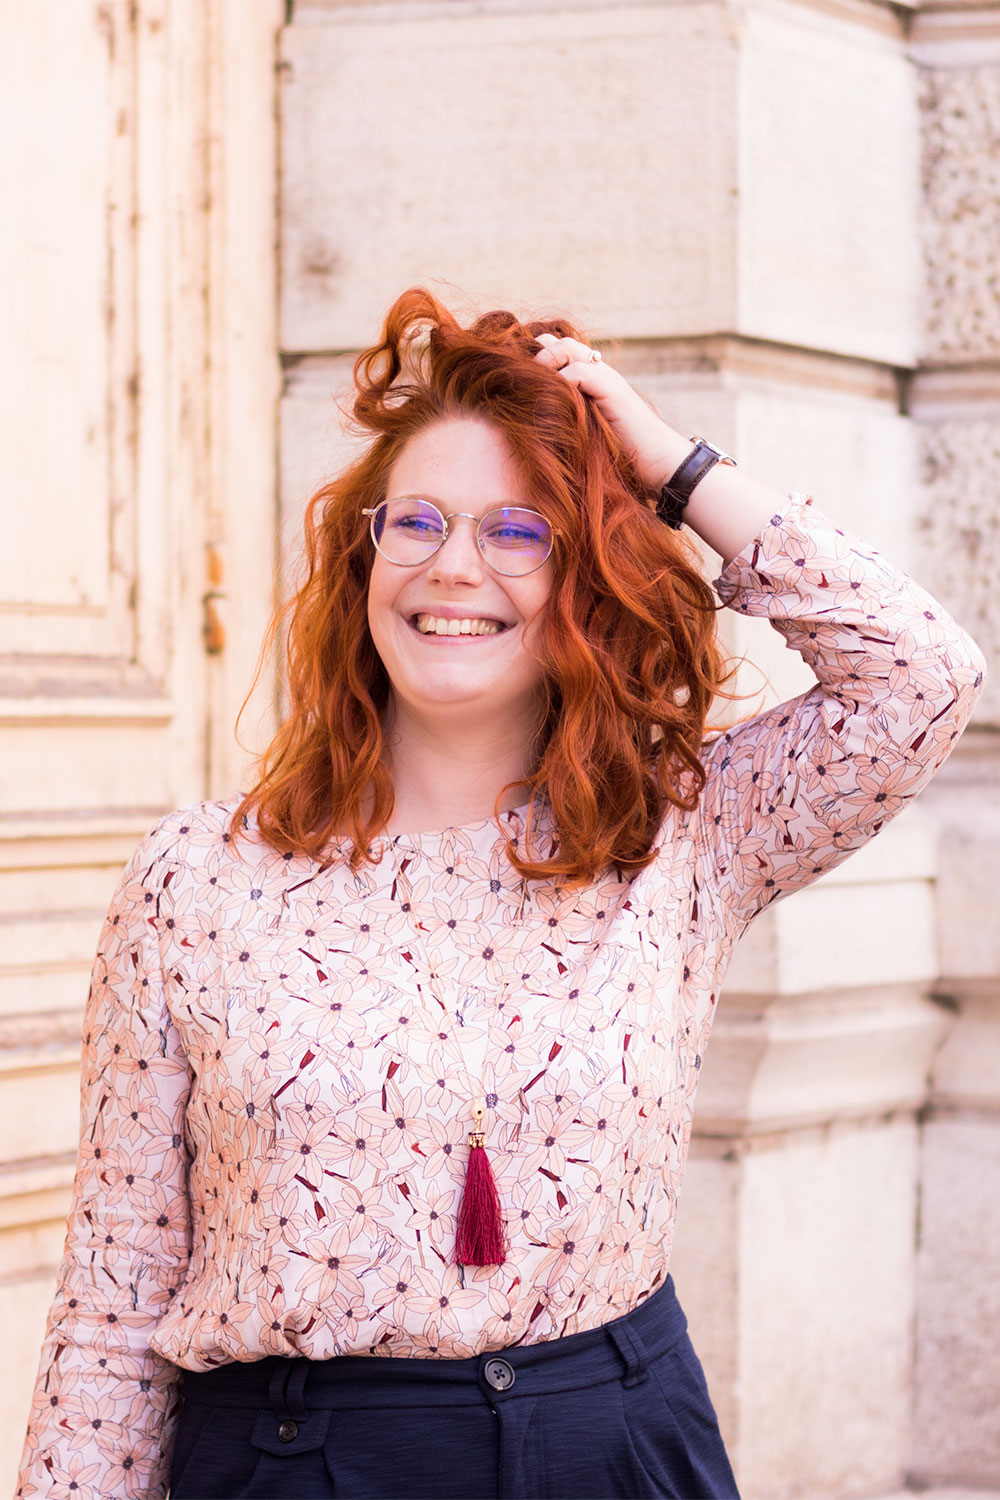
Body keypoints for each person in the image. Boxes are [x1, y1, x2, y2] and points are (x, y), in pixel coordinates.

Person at [16, 288, 985, 1500]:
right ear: (362, 557)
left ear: (585, 582)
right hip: (296, 1461)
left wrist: (668, 465)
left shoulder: (680, 835)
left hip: (614, 1443)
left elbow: (924, 674)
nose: (451, 567)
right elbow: (114, 1303)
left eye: (518, 531)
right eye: (413, 521)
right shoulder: (197, 877)